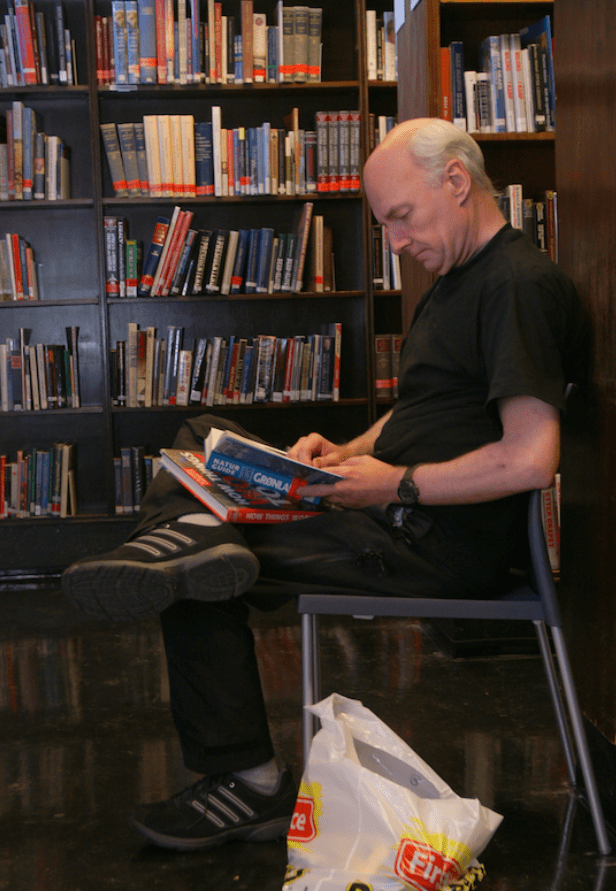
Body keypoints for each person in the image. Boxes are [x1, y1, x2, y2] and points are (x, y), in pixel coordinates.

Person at [62, 117, 586, 852]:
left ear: (457, 182)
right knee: (203, 434)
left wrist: (392, 485)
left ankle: (247, 779)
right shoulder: (457, 281)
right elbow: (422, 409)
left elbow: (529, 458)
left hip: (427, 541)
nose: (395, 242)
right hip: (388, 514)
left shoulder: (519, 286)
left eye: (401, 217)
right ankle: (188, 540)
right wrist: (344, 453)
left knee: (196, 569)